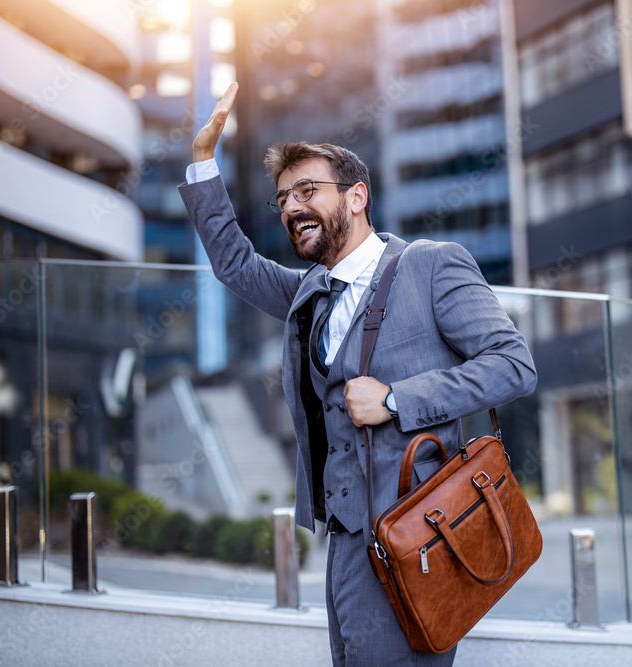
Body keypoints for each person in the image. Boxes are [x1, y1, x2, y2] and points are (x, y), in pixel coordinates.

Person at [179, 83, 537, 665]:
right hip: (347, 541)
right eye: (282, 198)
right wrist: (202, 162)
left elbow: (513, 365)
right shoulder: (309, 294)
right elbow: (236, 264)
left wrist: (395, 399)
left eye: (307, 190)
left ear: (357, 197)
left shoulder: (431, 266)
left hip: (417, 533)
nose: (291, 207)